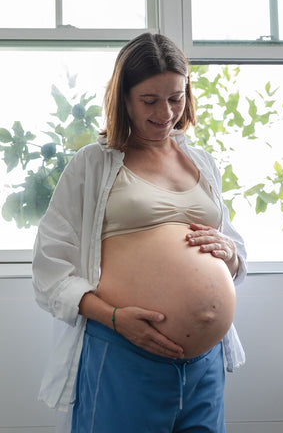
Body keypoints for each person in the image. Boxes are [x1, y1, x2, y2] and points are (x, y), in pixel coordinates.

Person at [32, 32, 247, 433]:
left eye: (176, 97)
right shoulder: (92, 165)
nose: (165, 112)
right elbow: (50, 271)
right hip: (124, 353)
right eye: (150, 100)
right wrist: (115, 319)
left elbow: (232, 248)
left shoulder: (201, 162)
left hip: (205, 365)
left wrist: (231, 255)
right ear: (124, 99)